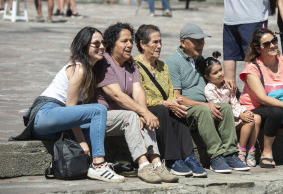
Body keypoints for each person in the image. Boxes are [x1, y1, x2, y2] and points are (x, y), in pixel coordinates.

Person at [11, 27, 124, 182]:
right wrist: (82, 142)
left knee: (92, 126)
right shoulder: (79, 69)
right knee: (98, 110)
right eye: (96, 44)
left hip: (54, 124)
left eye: (103, 43)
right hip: (47, 113)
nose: (102, 47)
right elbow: (71, 109)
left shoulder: (90, 71)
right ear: (84, 46)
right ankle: (99, 165)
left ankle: (92, 164)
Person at [96, 23, 178, 184]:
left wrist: (144, 112)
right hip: (102, 118)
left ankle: (156, 162)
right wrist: (142, 112)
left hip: (125, 116)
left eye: (130, 41)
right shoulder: (104, 63)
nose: (129, 45)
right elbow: (116, 95)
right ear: (112, 44)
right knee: (134, 115)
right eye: (124, 41)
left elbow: (138, 91)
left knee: (144, 113)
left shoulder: (130, 64)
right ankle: (143, 164)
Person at [166, 23, 250, 173]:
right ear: (183, 42)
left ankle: (230, 153)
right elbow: (177, 97)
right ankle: (216, 156)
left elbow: (211, 78)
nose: (200, 45)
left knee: (224, 107)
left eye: (202, 41)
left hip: (205, 105)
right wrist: (204, 105)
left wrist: (225, 80)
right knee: (204, 110)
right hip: (187, 112)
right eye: (195, 41)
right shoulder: (173, 62)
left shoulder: (200, 59)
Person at [134, 24, 207, 177]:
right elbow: (141, 96)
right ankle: (173, 159)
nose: (159, 46)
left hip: (165, 105)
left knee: (178, 108)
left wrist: (172, 102)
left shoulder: (162, 66)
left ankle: (189, 156)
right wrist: (166, 103)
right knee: (163, 109)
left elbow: (169, 92)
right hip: (148, 108)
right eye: (155, 42)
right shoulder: (135, 66)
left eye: (160, 42)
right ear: (142, 43)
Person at [239, 28, 283, 168]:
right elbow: (262, 98)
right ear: (258, 49)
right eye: (266, 44)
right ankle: (267, 152)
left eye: (274, 41)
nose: (272, 45)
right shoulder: (252, 68)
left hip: (282, 107)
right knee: (275, 111)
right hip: (257, 109)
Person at [214, 0, 274, 92]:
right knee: (253, 56)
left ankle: (230, 94)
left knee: (230, 55)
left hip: (231, 14)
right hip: (253, 13)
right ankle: (252, 94)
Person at [203, 51, 261, 167]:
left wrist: (243, 112)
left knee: (257, 118)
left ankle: (251, 149)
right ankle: (241, 150)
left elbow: (234, 103)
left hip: (235, 116)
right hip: (224, 119)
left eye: (220, 70)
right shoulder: (209, 89)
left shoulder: (227, 84)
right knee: (249, 122)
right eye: (215, 73)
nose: (220, 74)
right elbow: (220, 108)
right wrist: (240, 116)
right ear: (207, 77)